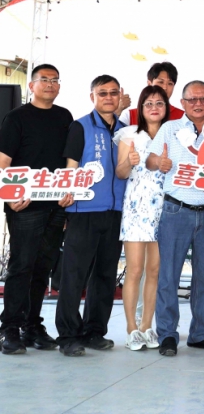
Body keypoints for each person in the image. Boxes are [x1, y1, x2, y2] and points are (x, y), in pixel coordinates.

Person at [146, 80, 204, 356]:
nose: (198, 103)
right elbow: (149, 161)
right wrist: (160, 163)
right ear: (182, 103)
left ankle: (200, 333)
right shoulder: (170, 128)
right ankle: (168, 334)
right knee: (168, 274)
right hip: (176, 210)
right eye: (192, 99)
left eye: (203, 98)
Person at [0, 64, 74, 355]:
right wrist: (8, 197)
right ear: (31, 86)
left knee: (44, 266)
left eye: (55, 80)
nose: (50, 84)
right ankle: (9, 329)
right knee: (21, 266)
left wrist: (70, 195)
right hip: (25, 204)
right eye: (44, 79)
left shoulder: (65, 116)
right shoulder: (15, 118)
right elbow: (3, 161)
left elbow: (70, 160)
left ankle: (32, 326)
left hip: (57, 205)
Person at [56, 75, 127, 357]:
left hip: (115, 212)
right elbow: (71, 166)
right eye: (102, 93)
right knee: (74, 276)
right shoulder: (80, 126)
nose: (108, 97)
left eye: (113, 93)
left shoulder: (125, 131)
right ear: (92, 97)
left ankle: (94, 331)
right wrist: (66, 196)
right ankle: (68, 336)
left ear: (120, 96)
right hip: (83, 211)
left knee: (105, 275)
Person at [113, 86, 170, 351]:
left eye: (159, 102)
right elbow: (121, 172)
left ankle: (147, 326)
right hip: (137, 207)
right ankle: (130, 328)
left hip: (166, 208)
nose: (154, 107)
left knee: (155, 271)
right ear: (141, 108)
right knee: (135, 270)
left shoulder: (174, 133)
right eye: (148, 103)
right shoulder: (128, 134)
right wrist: (130, 161)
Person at [117, 62, 184, 124]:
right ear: (149, 84)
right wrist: (118, 110)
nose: (165, 87)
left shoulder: (183, 117)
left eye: (170, 83)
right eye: (160, 82)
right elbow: (111, 134)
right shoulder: (130, 115)